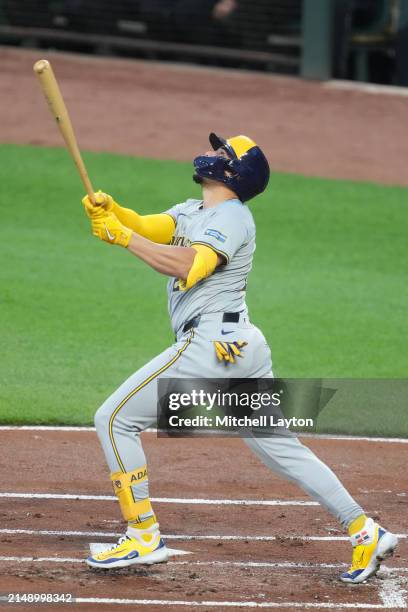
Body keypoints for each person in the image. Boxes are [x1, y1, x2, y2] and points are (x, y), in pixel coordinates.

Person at [82, 132, 397, 583]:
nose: (210, 153)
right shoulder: (195, 209)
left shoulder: (232, 218)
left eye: (221, 152)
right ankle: (365, 530)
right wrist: (112, 213)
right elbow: (151, 225)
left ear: (232, 172)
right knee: (281, 449)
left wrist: (122, 239)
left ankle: (143, 536)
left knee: (114, 419)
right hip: (241, 347)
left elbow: (188, 265)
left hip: (212, 345)